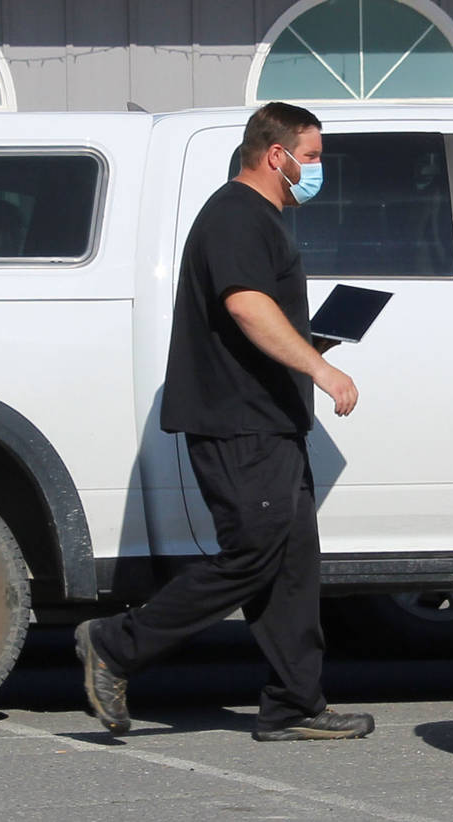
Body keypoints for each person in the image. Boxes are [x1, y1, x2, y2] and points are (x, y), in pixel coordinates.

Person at [76, 101, 374, 743]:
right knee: (251, 557)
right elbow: (244, 306)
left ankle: (294, 704)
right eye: (313, 157)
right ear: (277, 156)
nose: (318, 170)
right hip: (240, 423)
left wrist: (307, 347)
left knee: (292, 563)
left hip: (268, 418)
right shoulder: (237, 215)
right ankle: (114, 644)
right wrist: (322, 373)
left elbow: (258, 317)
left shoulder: (258, 219)